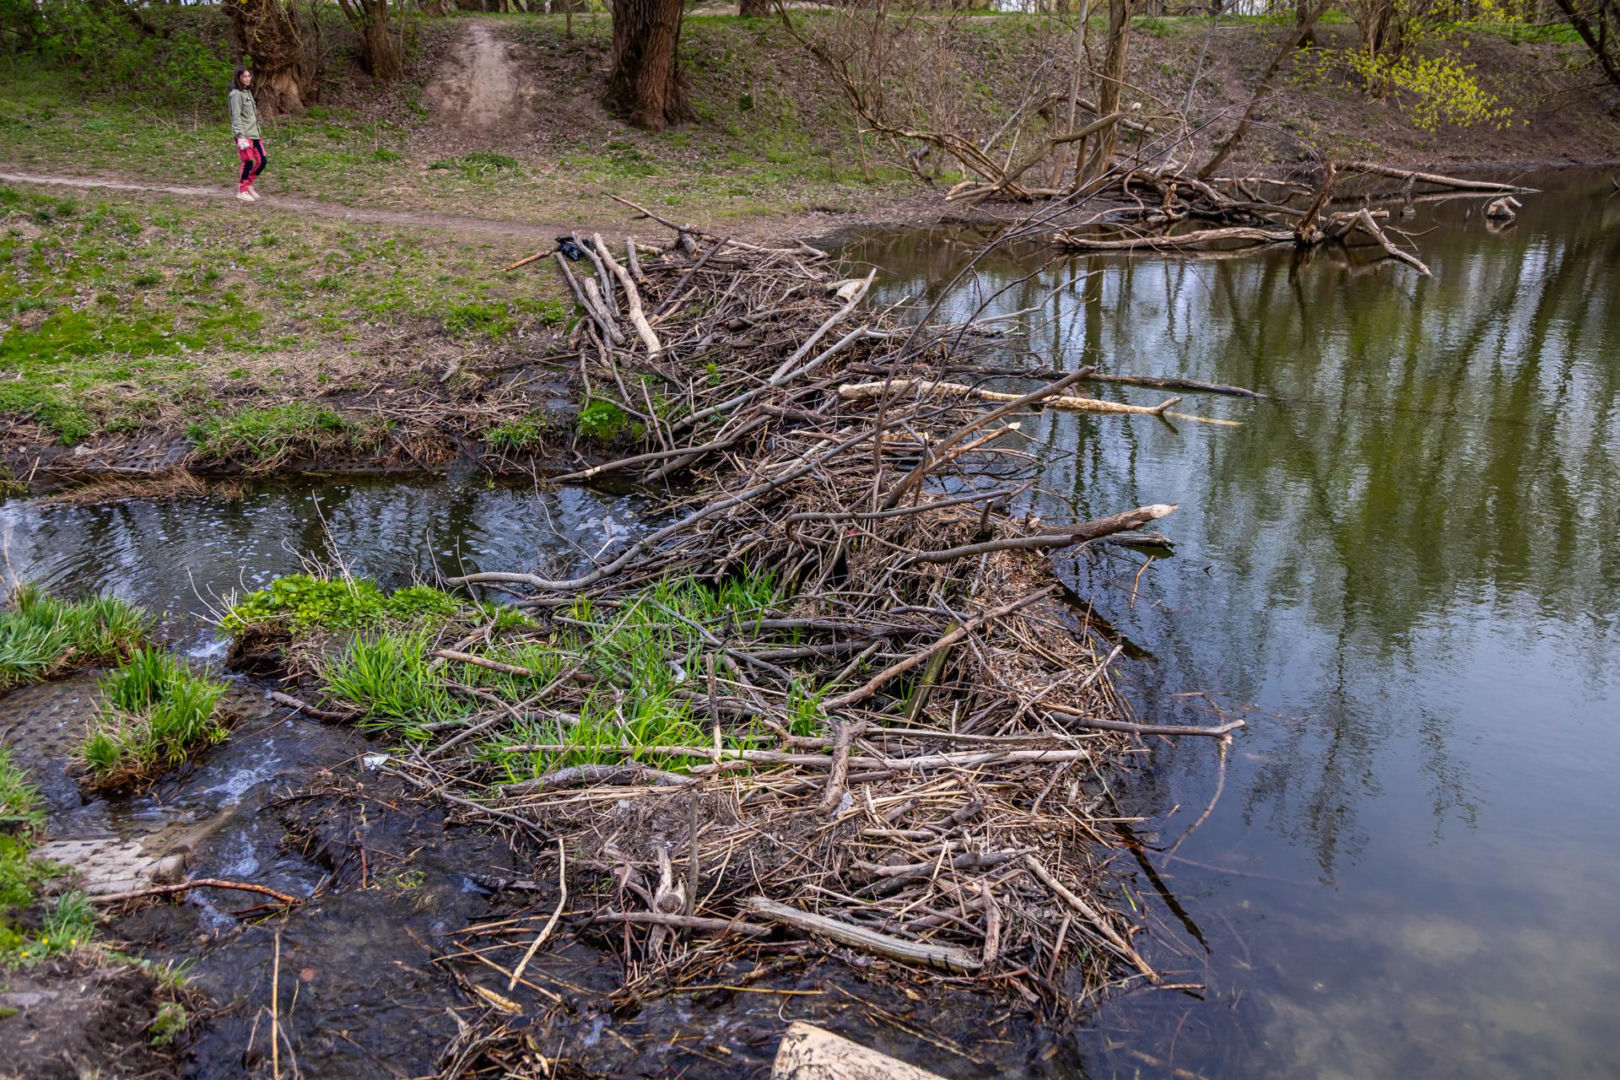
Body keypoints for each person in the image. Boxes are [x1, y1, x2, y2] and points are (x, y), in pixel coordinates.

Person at [228, 68, 266, 203]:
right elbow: (236, 117)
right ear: (238, 78)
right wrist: (240, 136)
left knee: (262, 161)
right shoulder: (236, 94)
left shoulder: (247, 92)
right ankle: (242, 191)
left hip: (254, 134)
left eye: (249, 76)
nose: (248, 79)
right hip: (244, 135)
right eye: (245, 76)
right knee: (248, 162)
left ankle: (248, 183)